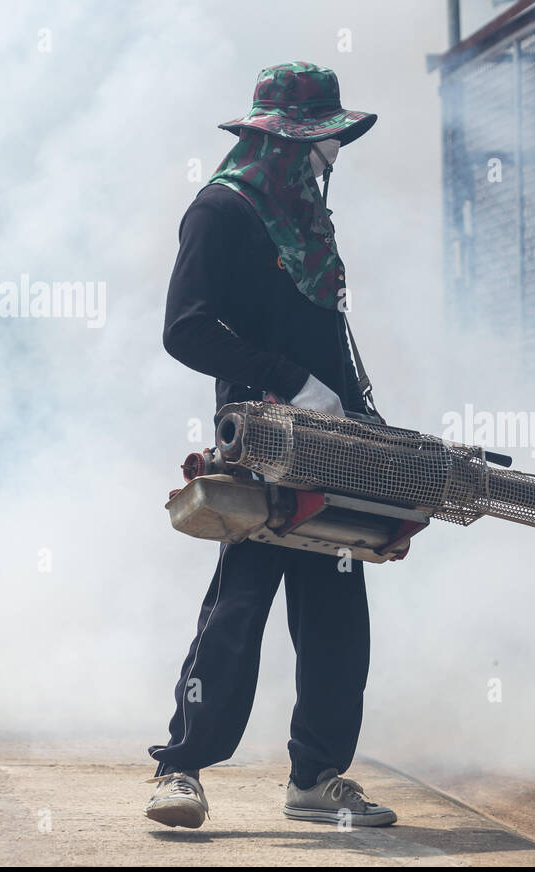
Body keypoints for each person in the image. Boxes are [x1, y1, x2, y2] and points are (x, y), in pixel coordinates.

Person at [144, 61, 395, 829]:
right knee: (238, 608)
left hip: (335, 442)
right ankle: (179, 771)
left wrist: (360, 416)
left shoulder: (309, 217)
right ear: (284, 141)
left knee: (336, 619)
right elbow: (184, 329)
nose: (334, 153)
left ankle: (316, 779)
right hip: (261, 444)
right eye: (324, 139)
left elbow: (328, 333)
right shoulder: (221, 211)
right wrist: (285, 379)